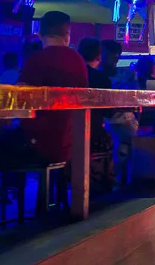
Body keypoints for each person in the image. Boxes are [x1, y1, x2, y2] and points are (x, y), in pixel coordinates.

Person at [19, 11, 89, 164]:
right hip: (71, 140)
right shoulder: (78, 61)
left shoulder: (36, 59)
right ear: (67, 34)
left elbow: (19, 98)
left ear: (39, 34)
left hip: (38, 140)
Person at [78, 37, 114, 192]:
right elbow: (109, 112)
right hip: (93, 135)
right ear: (99, 57)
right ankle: (103, 185)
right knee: (110, 140)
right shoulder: (101, 79)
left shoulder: (72, 75)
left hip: (65, 134)